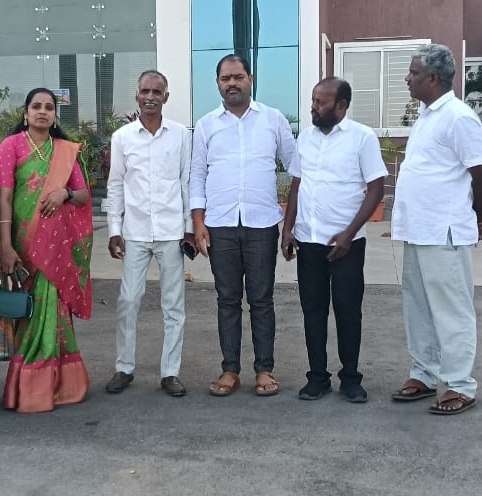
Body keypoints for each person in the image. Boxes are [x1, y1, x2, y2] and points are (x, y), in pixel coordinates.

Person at [390, 44, 482, 415]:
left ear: (433, 78)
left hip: (444, 232)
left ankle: (460, 385)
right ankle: (424, 373)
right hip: (418, 230)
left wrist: (475, 218)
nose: (407, 78)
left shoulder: (458, 117)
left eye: (414, 72)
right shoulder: (427, 115)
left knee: (452, 311)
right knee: (418, 308)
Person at [190, 53, 296, 398]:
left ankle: (264, 369)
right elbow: (197, 175)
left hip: (261, 224)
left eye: (238, 77)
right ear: (217, 84)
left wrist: (292, 223)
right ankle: (230, 369)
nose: (232, 83)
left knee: (262, 299)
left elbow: (296, 167)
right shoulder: (206, 125)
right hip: (220, 224)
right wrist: (198, 222)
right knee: (227, 299)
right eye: (225, 78)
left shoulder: (273, 120)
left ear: (251, 79)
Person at [281, 78, 387, 403]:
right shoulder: (305, 138)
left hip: (347, 245)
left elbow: (376, 189)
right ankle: (317, 377)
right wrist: (288, 229)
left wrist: (349, 233)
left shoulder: (362, 138)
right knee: (313, 310)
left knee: (347, 311)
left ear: (341, 105)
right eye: (313, 100)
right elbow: (297, 184)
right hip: (309, 241)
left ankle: (351, 378)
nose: (314, 107)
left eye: (321, 102)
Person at [0, 88, 93, 412]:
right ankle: (30, 387)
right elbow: (5, 198)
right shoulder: (11, 146)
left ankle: (59, 385)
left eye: (49, 107)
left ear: (54, 116)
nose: (42, 111)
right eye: (36, 106)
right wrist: (5, 245)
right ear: (25, 114)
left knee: (54, 310)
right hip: (24, 243)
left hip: (56, 249)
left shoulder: (64, 149)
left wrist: (64, 193)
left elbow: (83, 195)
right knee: (30, 311)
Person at [104, 70, 193, 398]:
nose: (151, 96)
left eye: (157, 91)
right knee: (128, 301)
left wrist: (188, 228)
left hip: (171, 232)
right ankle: (124, 368)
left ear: (166, 97)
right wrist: (114, 230)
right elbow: (115, 185)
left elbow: (186, 182)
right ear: (137, 95)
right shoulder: (122, 137)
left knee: (174, 305)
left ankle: (170, 372)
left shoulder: (180, 135)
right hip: (135, 232)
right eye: (145, 91)